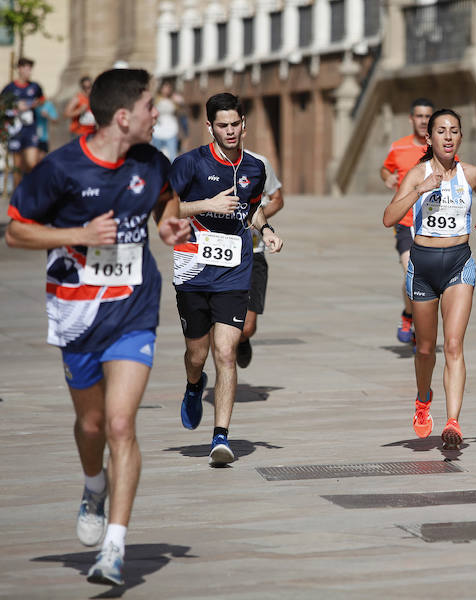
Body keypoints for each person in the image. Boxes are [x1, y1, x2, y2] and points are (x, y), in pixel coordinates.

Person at [5, 68, 191, 586]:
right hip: (77, 312)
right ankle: (93, 485)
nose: (160, 114)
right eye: (151, 106)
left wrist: (168, 223)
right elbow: (17, 232)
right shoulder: (62, 169)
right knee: (91, 427)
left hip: (134, 307)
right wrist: (78, 232)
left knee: (119, 425)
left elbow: (163, 200)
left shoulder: (152, 162)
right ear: (124, 116)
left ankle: (114, 547)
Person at [169, 93, 283, 465]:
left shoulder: (256, 167)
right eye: (223, 125)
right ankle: (192, 385)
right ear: (210, 127)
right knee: (196, 353)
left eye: (235, 124)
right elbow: (164, 210)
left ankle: (221, 437)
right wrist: (206, 205)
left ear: (244, 124)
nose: (230, 131)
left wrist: (265, 230)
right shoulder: (189, 164)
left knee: (225, 352)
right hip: (193, 270)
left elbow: (251, 211)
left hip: (235, 271)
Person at [383, 108, 476, 449]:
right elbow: (389, 217)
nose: (448, 137)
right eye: (441, 131)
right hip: (423, 265)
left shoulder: (471, 173)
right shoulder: (417, 173)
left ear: (460, 137)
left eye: (454, 131)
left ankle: (453, 422)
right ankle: (423, 400)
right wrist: (419, 190)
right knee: (424, 349)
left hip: (459, 264)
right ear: (429, 138)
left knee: (453, 345)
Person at [380, 98, 434, 345]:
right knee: (411, 273)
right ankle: (409, 317)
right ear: (411, 119)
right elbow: (385, 168)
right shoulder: (399, 147)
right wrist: (388, 178)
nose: (423, 121)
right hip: (406, 221)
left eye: (427, 117)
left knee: (426, 279)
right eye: (419, 116)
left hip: (433, 222)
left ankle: (413, 321)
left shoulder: (439, 148)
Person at [237, 147, 285, 368]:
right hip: (217, 258)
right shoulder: (201, 162)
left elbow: (277, 199)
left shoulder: (258, 163)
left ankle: (242, 339)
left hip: (253, 252)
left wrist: (257, 221)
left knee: (247, 327)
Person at [2, 57, 45, 189]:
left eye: (30, 69)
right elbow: (2, 105)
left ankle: (31, 189)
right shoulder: (9, 88)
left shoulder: (35, 86)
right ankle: (17, 195)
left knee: (32, 162)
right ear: (19, 69)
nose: (28, 72)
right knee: (18, 165)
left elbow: (43, 99)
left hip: (30, 128)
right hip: (15, 130)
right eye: (26, 69)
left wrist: (35, 104)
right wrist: (16, 106)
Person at [151, 81, 181, 161]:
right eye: (165, 87)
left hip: (171, 131)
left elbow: (179, 112)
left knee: (172, 156)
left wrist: (178, 102)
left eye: (168, 88)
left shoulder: (173, 99)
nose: (167, 90)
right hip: (158, 131)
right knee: (156, 156)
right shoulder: (156, 99)